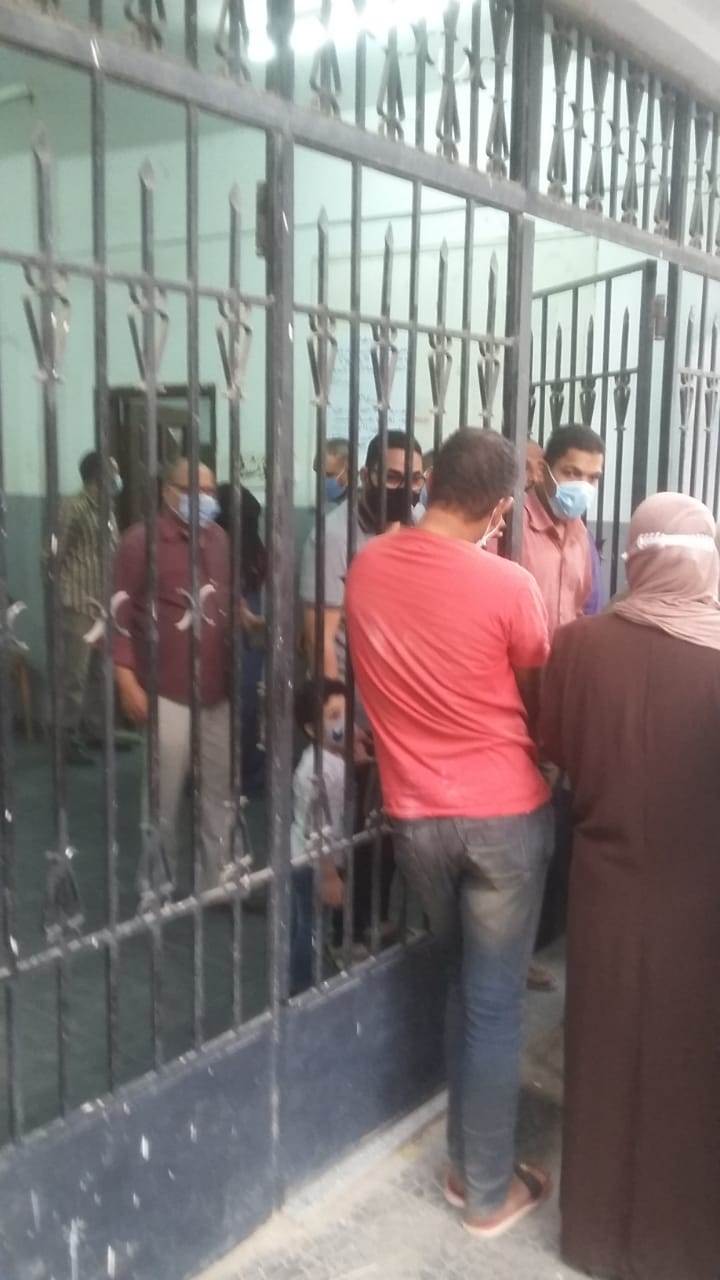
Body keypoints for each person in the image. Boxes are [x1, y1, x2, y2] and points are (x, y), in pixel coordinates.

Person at [346, 428, 554, 1239]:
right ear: (501, 507)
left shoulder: (368, 566)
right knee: (495, 1004)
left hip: (417, 820)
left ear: (428, 482)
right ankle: (489, 1192)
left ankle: (469, 1164)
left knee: (465, 988)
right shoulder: (509, 585)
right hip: (504, 818)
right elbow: (534, 697)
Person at [539, 491, 720, 1280]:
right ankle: (683, 1245)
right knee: (694, 1056)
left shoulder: (578, 645)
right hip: (704, 898)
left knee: (604, 1049)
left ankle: (595, 1238)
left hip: (605, 887)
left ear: (634, 556)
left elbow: (556, 747)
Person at [113, 458, 232, 893]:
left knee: (218, 792)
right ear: (167, 491)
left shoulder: (219, 539)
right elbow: (117, 614)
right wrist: (126, 679)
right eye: (193, 489)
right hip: (166, 690)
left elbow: (222, 600)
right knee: (162, 798)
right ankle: (157, 886)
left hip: (217, 690)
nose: (205, 499)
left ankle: (217, 879)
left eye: (211, 490)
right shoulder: (139, 542)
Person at [300, 430, 424, 680]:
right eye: (392, 477)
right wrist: (334, 694)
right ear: (366, 476)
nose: (404, 489)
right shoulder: (334, 536)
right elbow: (319, 637)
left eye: (414, 479)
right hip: (354, 683)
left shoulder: (420, 521)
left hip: (407, 681)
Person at [57, 450, 122, 766]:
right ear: (99, 475)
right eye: (114, 472)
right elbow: (52, 554)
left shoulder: (107, 509)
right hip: (79, 603)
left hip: (103, 604)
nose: (118, 479)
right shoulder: (72, 506)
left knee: (100, 671)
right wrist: (65, 592)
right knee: (75, 675)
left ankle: (97, 730)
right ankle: (66, 739)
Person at [290, 677, 346, 995]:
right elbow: (318, 829)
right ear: (312, 729)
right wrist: (329, 875)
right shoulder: (320, 771)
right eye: (335, 716)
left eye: (347, 713)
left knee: (305, 921)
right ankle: (302, 989)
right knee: (311, 927)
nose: (345, 723)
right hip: (314, 863)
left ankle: (299, 980)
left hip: (304, 856)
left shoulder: (326, 757)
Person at [522, 424, 605, 635]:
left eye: (593, 478)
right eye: (571, 473)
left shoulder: (583, 537)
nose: (583, 487)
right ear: (542, 471)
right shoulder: (511, 526)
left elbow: (588, 610)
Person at [215, 482, 267, 794]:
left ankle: (221, 772)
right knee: (244, 704)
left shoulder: (218, 546)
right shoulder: (252, 550)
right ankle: (244, 772)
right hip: (245, 636)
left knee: (224, 705)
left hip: (227, 632)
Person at [315, 438, 350, 505]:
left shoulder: (357, 505)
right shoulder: (318, 505)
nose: (324, 480)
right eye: (319, 474)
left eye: (329, 474)